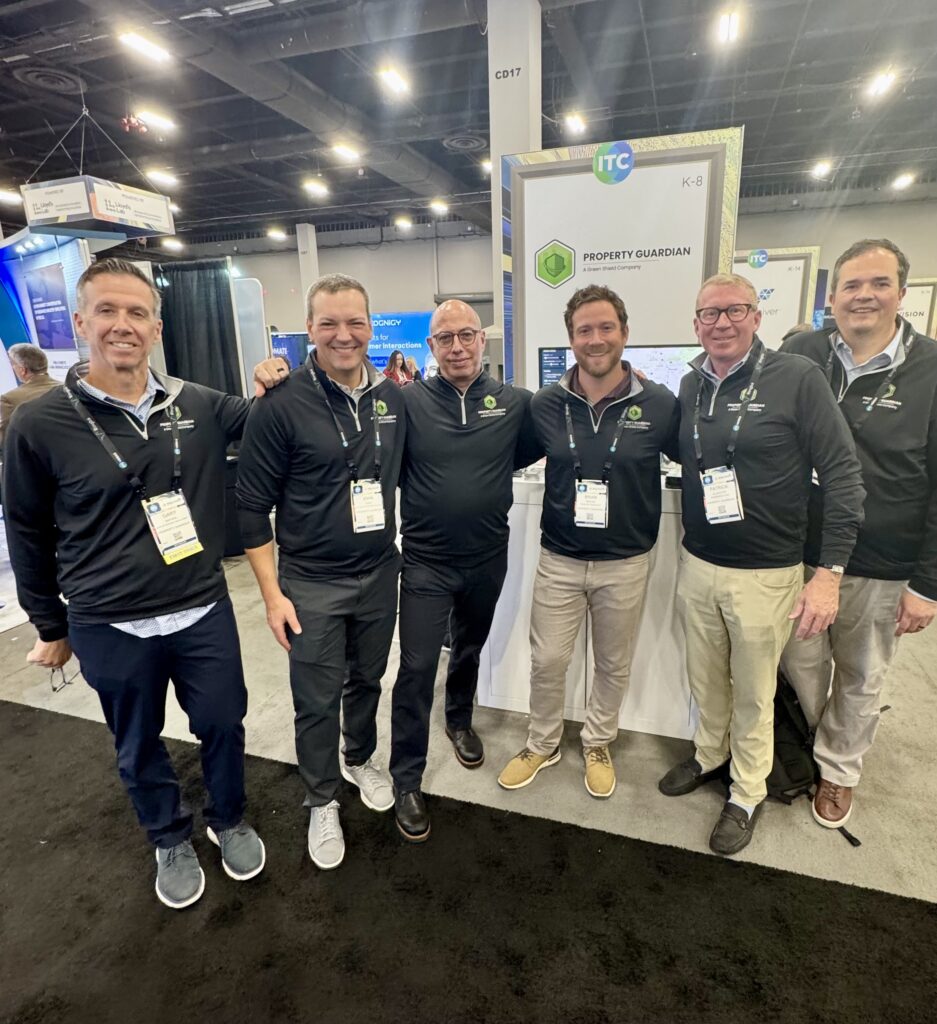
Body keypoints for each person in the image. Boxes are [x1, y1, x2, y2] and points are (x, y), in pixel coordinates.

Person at [2, 257, 287, 909]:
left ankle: (228, 818)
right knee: (136, 743)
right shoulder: (40, 423)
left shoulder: (200, 406)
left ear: (156, 328)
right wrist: (49, 624)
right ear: (80, 322)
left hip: (201, 608)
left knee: (222, 724)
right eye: (106, 310)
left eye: (136, 313)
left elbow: (274, 425)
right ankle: (168, 836)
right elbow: (26, 529)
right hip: (107, 621)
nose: (122, 325)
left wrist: (275, 380)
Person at [657, 272, 865, 856]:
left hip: (767, 571)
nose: (721, 323)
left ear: (756, 316)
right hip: (698, 561)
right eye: (709, 314)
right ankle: (708, 754)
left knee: (753, 691)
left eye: (734, 311)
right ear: (695, 323)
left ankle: (746, 791)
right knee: (704, 676)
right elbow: (683, 448)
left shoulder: (796, 378)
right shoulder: (693, 384)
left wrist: (829, 573)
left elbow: (844, 474)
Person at [236, 273, 406, 870]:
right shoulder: (279, 405)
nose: (343, 335)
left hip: (381, 572)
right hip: (309, 581)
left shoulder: (392, 399)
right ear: (308, 329)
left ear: (370, 325)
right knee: (315, 697)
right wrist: (271, 594)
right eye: (328, 323)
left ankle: (359, 758)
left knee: (368, 679)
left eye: (355, 322)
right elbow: (251, 508)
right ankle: (321, 798)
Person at [497, 284, 679, 800]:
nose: (595, 339)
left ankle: (598, 742)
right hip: (559, 558)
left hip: (626, 563)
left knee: (612, 663)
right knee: (548, 660)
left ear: (624, 333)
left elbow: (699, 457)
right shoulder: (547, 405)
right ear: (571, 339)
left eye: (605, 328)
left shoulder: (659, 404)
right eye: (584, 331)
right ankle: (542, 742)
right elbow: (503, 456)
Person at [779, 239, 937, 829]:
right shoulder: (804, 351)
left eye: (878, 284)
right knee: (801, 659)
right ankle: (815, 738)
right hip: (798, 550)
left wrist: (928, 584)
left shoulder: (932, 369)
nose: (863, 296)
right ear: (832, 296)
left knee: (862, 671)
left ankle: (839, 770)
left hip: (881, 559)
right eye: (851, 285)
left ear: (901, 292)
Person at [390, 299, 540, 842]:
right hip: (426, 562)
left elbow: (527, 450)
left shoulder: (515, 403)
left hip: (486, 557)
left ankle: (458, 720)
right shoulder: (404, 402)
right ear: (430, 347)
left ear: (483, 340)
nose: (457, 347)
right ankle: (406, 776)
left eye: (467, 336)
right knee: (415, 666)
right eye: (445, 338)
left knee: (470, 647)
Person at [0, 343, 59, 450]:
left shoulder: (9, 399)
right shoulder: (66, 388)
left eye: (13, 364)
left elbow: (6, 439)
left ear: (23, 370)